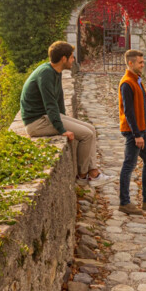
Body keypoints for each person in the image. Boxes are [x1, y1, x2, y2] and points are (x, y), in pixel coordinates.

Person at [21, 41, 111, 185]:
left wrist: (64, 118)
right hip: (36, 123)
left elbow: (59, 99)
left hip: (45, 117)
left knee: (91, 129)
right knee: (87, 135)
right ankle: (83, 177)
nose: (73, 60)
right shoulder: (46, 74)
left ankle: (93, 173)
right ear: (63, 58)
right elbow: (50, 105)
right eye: (71, 57)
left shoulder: (54, 71)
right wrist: (62, 129)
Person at [117, 49, 146, 215]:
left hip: (142, 130)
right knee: (128, 166)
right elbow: (129, 112)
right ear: (130, 63)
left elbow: (142, 108)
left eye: (143, 62)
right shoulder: (127, 83)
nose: (143, 65)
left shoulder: (137, 80)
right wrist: (137, 134)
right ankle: (124, 202)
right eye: (140, 62)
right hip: (133, 132)